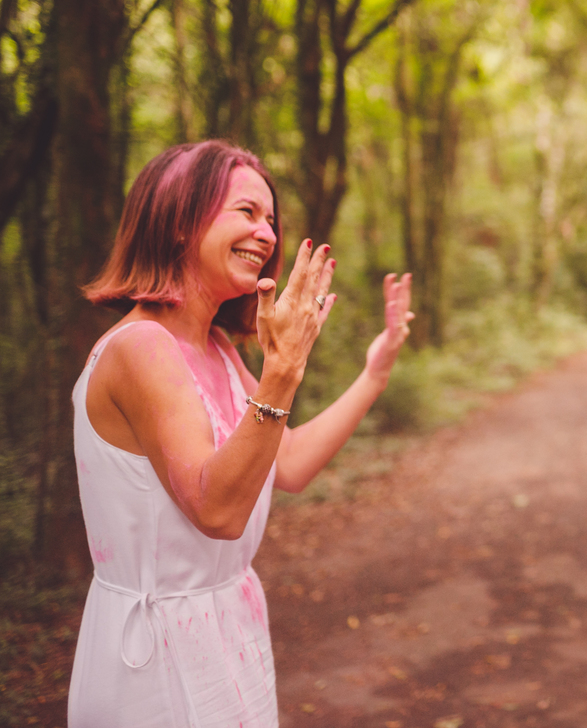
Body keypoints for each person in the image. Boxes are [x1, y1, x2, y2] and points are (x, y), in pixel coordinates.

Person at [67, 140, 414, 727]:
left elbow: (290, 462)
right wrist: (281, 373)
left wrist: (373, 373)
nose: (268, 235)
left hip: (230, 629)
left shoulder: (220, 350)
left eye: (271, 221)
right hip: (155, 655)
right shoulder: (141, 348)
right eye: (247, 213)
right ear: (180, 220)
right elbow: (219, 510)